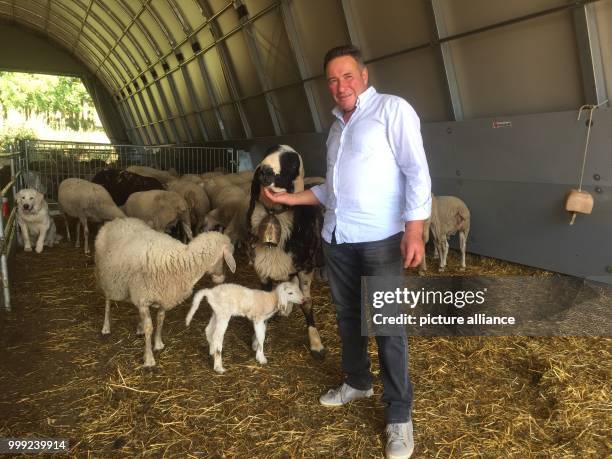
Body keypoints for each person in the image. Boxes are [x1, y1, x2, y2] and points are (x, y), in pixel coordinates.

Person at [262, 44, 431, 459]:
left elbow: (416, 170)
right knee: (348, 315)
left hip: (381, 239)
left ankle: (398, 416)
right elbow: (332, 191)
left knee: (388, 324)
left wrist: (415, 229)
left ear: (364, 75)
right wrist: (290, 201)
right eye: (333, 80)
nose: (341, 86)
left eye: (347, 76)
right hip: (338, 238)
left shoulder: (392, 110)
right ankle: (357, 381)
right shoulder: (337, 127)